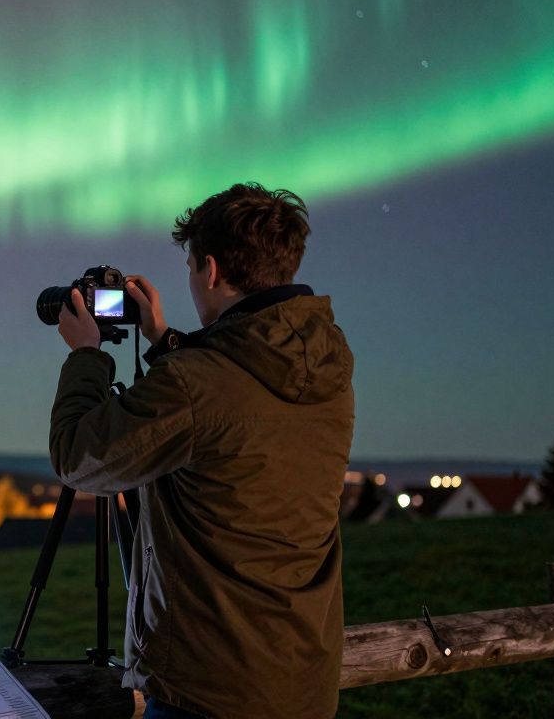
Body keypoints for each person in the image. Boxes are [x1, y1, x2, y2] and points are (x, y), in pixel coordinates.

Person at [49, 182, 354, 718]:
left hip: (209, 691)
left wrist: (87, 356)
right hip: (302, 679)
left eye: (191, 267)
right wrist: (165, 338)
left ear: (210, 270)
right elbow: (231, 405)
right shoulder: (327, 370)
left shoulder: (196, 385)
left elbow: (79, 457)